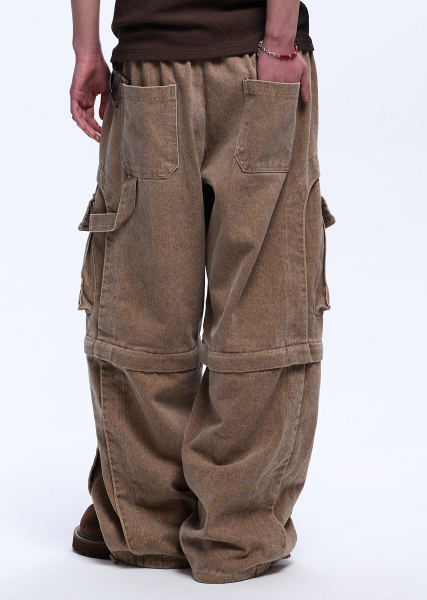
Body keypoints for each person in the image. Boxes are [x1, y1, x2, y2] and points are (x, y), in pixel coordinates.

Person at [69, 0, 335, 585]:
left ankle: (146, 521)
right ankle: (236, 532)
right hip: (254, 55)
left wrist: (86, 48)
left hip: (151, 63)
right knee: (264, 300)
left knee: (143, 299)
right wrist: (280, 41)